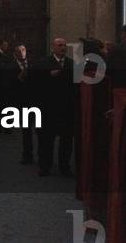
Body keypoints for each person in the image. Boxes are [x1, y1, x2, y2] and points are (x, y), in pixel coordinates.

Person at [34, 38, 76, 176]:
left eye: (64, 45)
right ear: (53, 48)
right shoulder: (43, 63)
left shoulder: (73, 64)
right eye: (60, 45)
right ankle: (45, 166)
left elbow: (76, 87)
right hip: (48, 108)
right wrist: (48, 75)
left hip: (66, 109)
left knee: (66, 140)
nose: (63, 47)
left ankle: (64, 166)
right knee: (46, 140)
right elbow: (35, 84)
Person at [6, 44, 35, 164]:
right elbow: (7, 84)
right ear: (15, 53)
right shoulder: (10, 67)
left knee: (41, 130)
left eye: (23, 50)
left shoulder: (34, 64)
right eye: (19, 51)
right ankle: (27, 155)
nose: (22, 52)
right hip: (21, 101)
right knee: (26, 130)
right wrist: (18, 78)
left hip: (35, 100)